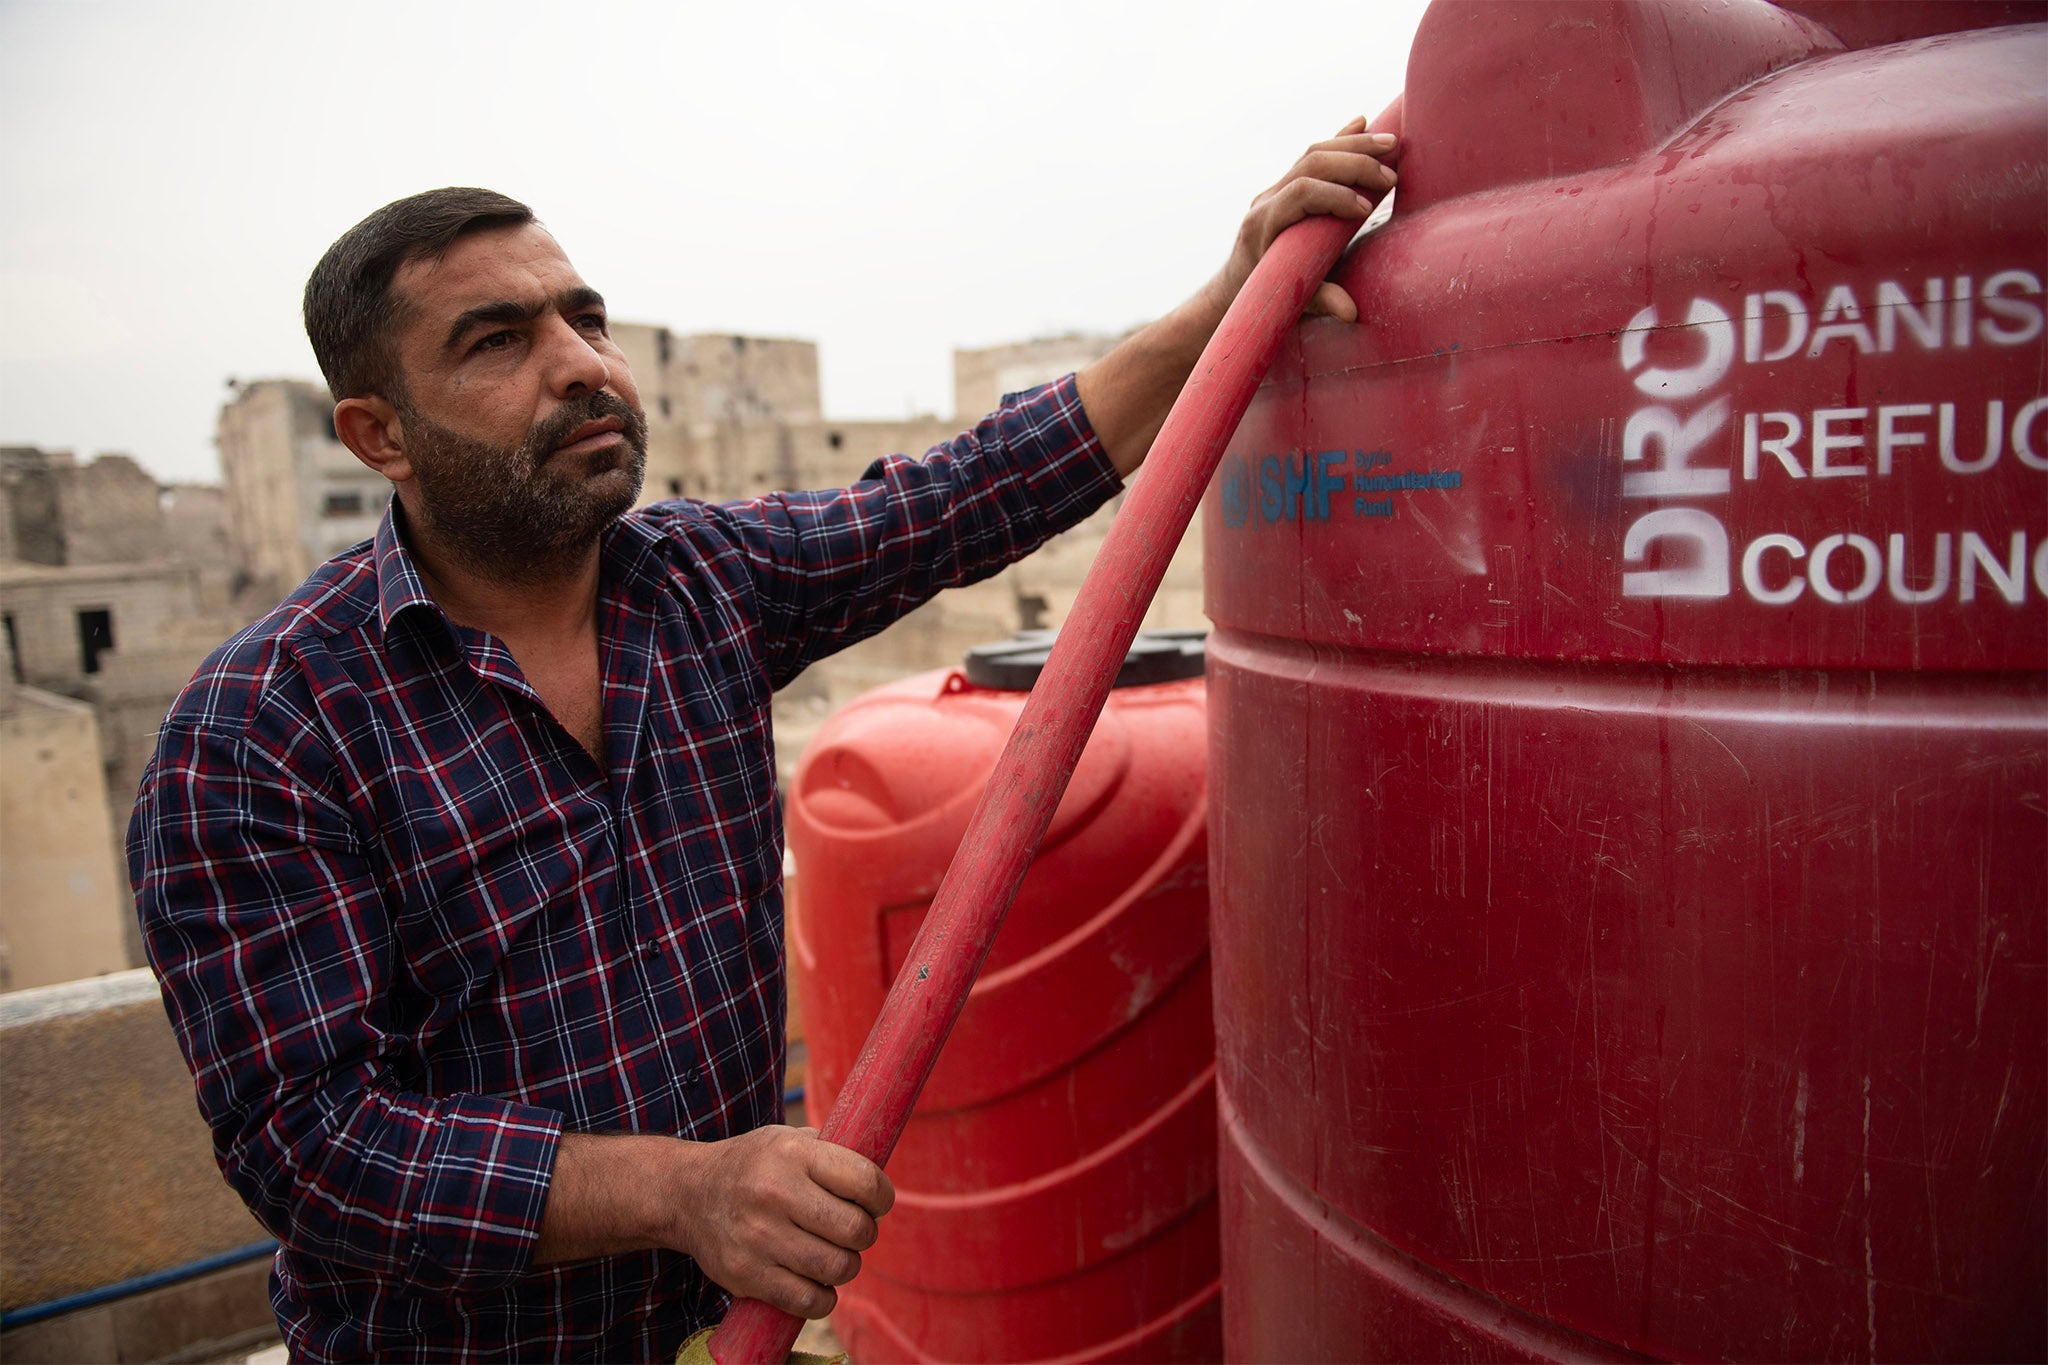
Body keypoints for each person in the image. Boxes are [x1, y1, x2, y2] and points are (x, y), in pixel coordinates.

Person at [129, 118, 1400, 1361]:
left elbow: (970, 490)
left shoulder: (697, 586)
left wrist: (1232, 297)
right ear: (378, 436)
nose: (579, 364)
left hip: (726, 1331)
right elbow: (312, 1149)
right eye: (497, 343)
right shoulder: (258, 737)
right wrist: (687, 1193)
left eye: (584, 318)